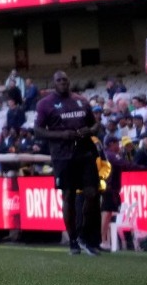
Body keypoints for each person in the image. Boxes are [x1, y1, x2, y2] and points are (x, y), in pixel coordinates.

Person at [34, 70, 103, 254]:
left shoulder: (81, 100)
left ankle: (86, 237)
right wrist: (61, 135)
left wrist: (90, 131)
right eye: (59, 80)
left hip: (85, 152)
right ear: (54, 83)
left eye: (65, 79)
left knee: (92, 193)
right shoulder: (45, 104)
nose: (63, 82)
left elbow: (96, 124)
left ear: (69, 81)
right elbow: (38, 131)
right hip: (63, 155)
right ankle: (72, 239)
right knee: (69, 196)